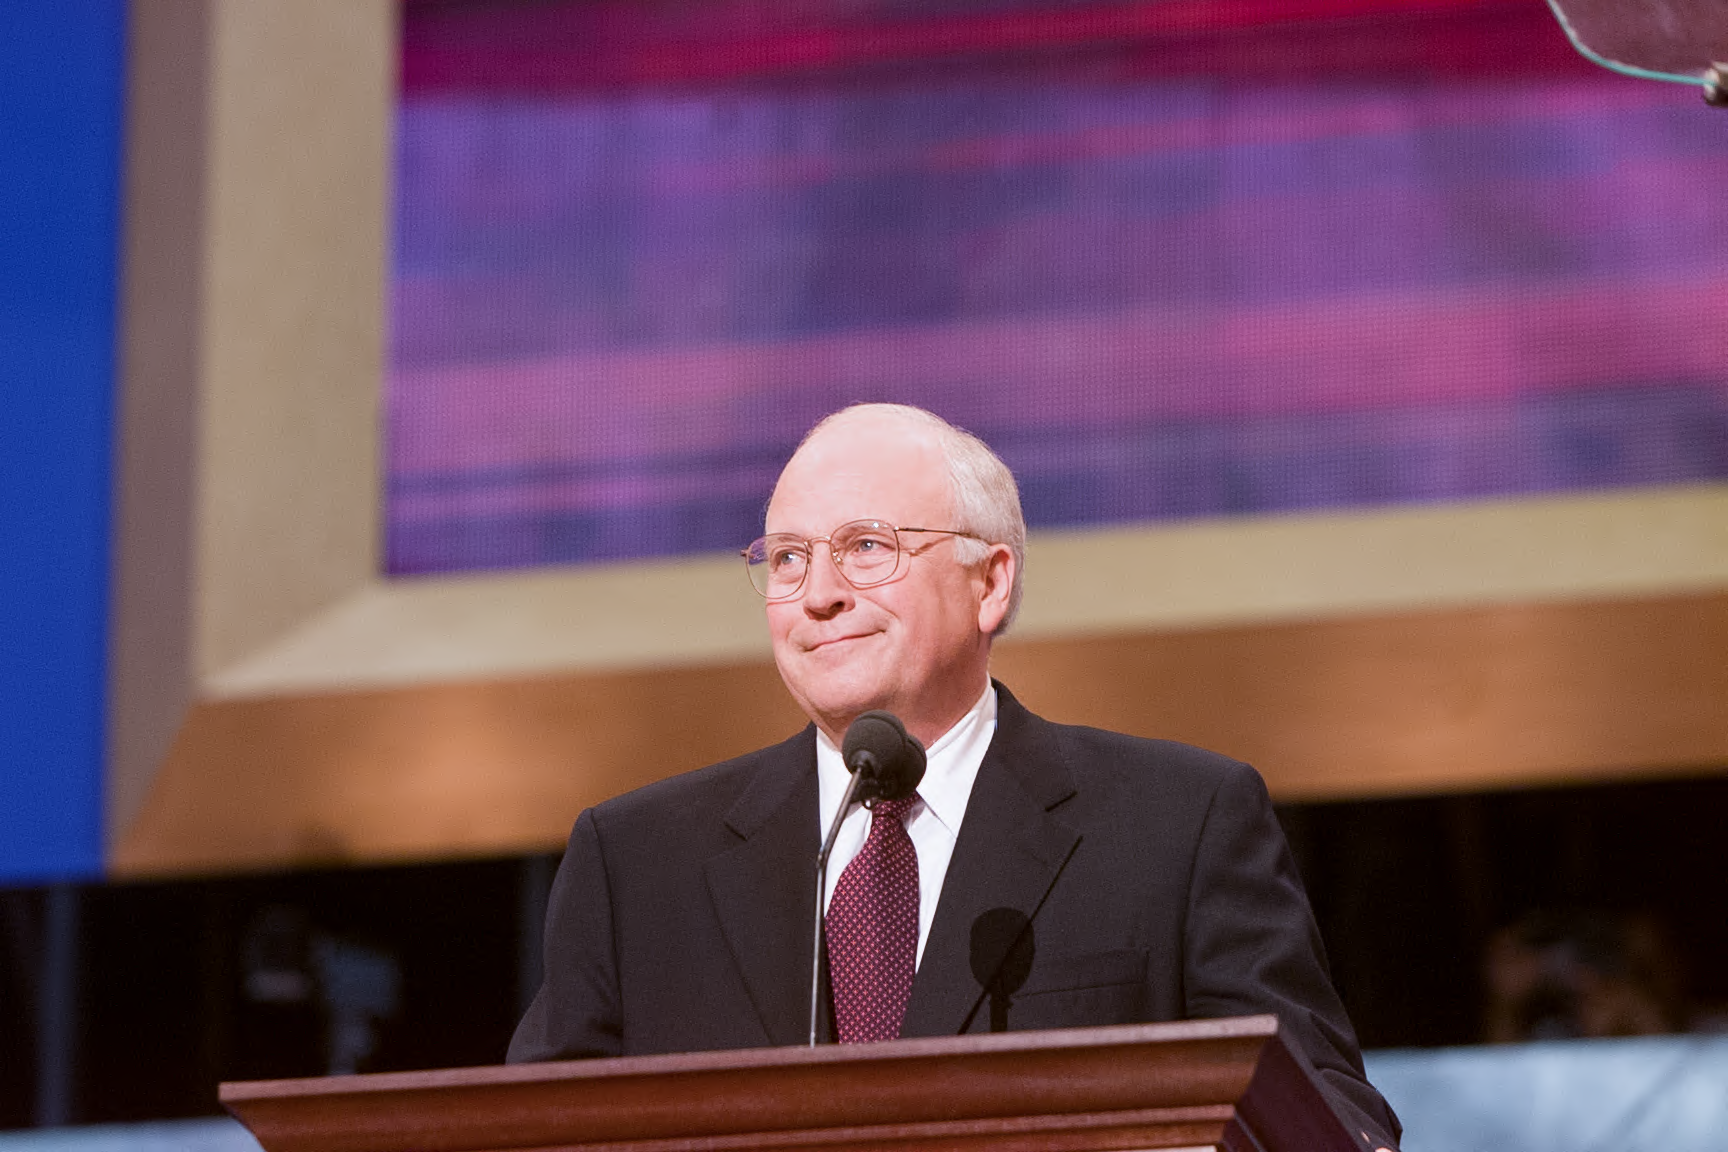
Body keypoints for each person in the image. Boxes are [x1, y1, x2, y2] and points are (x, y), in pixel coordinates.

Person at [509, 403, 1401, 1150]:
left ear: (990, 583)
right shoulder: (638, 864)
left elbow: (1330, 1123)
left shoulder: (1179, 824)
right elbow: (534, 1134)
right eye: (786, 558)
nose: (817, 593)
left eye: (866, 547)